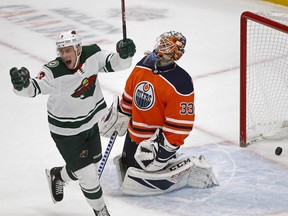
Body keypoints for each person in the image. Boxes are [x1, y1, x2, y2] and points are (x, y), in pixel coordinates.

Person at [9, 30, 136, 215]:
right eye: (61, 51)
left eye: (68, 50)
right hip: (66, 132)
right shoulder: (53, 71)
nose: (64, 55)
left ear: (78, 48)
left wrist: (125, 54)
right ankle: (101, 211)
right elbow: (33, 88)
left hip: (90, 123)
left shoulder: (92, 53)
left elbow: (116, 63)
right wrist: (21, 85)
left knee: (90, 164)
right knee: (89, 176)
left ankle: (58, 175)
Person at [99, 31, 218, 196]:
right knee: (126, 169)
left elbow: (179, 125)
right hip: (133, 136)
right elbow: (130, 93)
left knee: (136, 182)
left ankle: (189, 169)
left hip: (152, 144)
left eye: (165, 45)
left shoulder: (181, 81)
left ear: (175, 53)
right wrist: (122, 113)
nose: (160, 47)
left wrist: (164, 152)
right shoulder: (144, 64)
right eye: (160, 43)